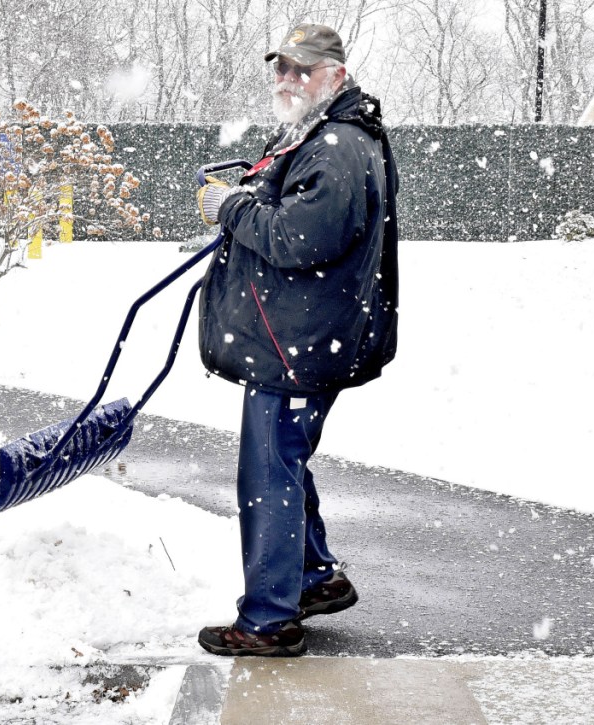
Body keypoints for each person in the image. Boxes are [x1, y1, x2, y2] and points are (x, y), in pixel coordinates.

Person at [194, 23, 399, 657]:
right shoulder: (318, 133)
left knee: (269, 471)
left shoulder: (336, 145)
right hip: (303, 338)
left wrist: (230, 208)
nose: (288, 80)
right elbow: (288, 209)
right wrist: (247, 194)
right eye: (281, 69)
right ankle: (314, 580)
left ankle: (267, 620)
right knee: (284, 460)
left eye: (302, 70)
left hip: (300, 345)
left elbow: (298, 239)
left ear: (335, 75)